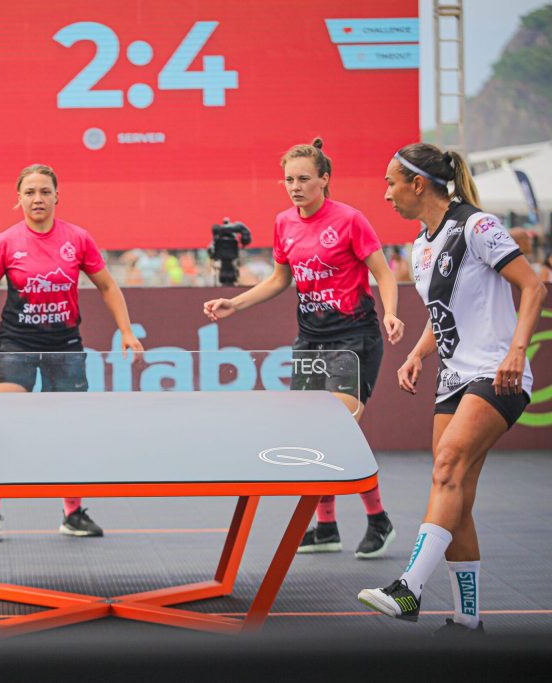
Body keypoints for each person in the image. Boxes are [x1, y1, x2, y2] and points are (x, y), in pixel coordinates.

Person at [358, 143, 546, 634]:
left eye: (390, 182)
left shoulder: (477, 226)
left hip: (497, 374)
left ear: (418, 184)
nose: (386, 194)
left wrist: (517, 351)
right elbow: (444, 313)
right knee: (454, 494)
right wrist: (419, 353)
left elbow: (533, 286)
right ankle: (468, 617)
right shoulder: (421, 246)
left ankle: (409, 589)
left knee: (446, 469)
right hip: (452, 378)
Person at [203, 138, 404, 559]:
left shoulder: (350, 220)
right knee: (312, 436)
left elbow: (383, 272)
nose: (295, 187)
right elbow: (280, 279)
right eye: (289, 180)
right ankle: (326, 526)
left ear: (324, 180)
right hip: (310, 339)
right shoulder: (284, 223)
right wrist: (233, 304)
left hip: (354, 337)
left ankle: (378, 519)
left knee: (338, 431)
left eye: (304, 179)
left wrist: (390, 312)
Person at [0, 163, 144, 541]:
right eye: (29, 192)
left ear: (56, 196)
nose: (37, 198)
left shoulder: (78, 238)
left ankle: (72, 512)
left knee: (70, 432)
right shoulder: (5, 241)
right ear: (18, 199)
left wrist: (126, 331)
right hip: (16, 344)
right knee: (5, 427)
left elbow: (108, 285)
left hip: (64, 344)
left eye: (44, 191)